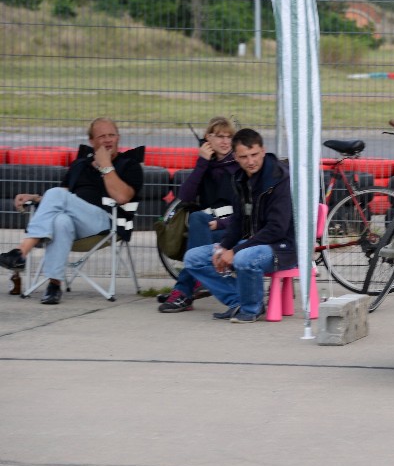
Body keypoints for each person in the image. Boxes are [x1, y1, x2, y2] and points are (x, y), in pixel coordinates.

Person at [0, 118, 144, 305]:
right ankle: (54, 285)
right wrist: (34, 198)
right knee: (60, 221)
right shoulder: (80, 165)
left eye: (112, 135)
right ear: (92, 142)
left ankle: (21, 252)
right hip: (75, 224)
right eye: (102, 136)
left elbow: (123, 197)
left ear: (118, 138)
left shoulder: (129, 165)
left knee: (56, 195)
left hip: (105, 223)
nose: (108, 140)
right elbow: (63, 198)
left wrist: (106, 166)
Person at [168, 128, 295, 323]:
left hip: (281, 247)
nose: (250, 161)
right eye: (244, 157)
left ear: (263, 150)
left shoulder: (279, 178)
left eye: (254, 155)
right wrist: (224, 247)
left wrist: (235, 251)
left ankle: (251, 309)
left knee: (243, 257)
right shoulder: (239, 178)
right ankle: (238, 301)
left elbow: (276, 229)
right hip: (251, 242)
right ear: (235, 156)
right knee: (193, 258)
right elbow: (237, 221)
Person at [158, 116, 240, 313]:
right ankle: (192, 285)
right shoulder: (206, 166)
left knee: (197, 224)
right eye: (219, 136)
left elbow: (248, 212)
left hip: (233, 228)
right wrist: (202, 163)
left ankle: (185, 289)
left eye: (229, 137)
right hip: (207, 230)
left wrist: (220, 224)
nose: (224, 141)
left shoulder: (240, 166)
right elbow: (185, 196)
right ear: (207, 138)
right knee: (197, 220)